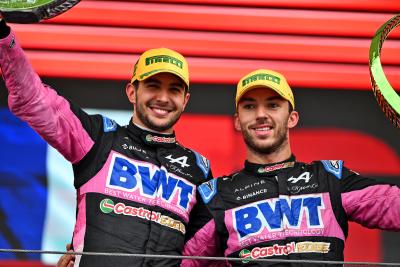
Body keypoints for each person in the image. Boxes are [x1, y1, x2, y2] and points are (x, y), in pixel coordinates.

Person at [0, 18, 213, 267]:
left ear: (185, 100)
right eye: (153, 86)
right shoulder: (98, 138)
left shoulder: (198, 169)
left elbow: (204, 253)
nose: (163, 98)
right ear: (132, 92)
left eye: (174, 90)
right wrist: (4, 38)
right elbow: (34, 100)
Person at [183, 69, 400, 266]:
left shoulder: (329, 178)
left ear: (292, 118)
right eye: (250, 106)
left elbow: (392, 206)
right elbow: (182, 261)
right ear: (238, 121)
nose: (260, 114)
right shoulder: (218, 195)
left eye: (273, 105)